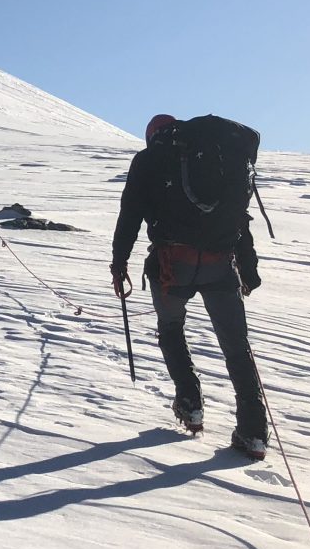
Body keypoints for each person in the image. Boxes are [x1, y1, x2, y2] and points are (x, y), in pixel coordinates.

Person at [111, 113, 269, 460]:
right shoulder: (217, 156)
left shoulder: (150, 160)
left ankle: (189, 403)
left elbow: (130, 214)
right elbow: (238, 217)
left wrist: (119, 262)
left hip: (172, 266)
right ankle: (253, 432)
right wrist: (248, 267)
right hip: (219, 264)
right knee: (236, 346)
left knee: (170, 328)